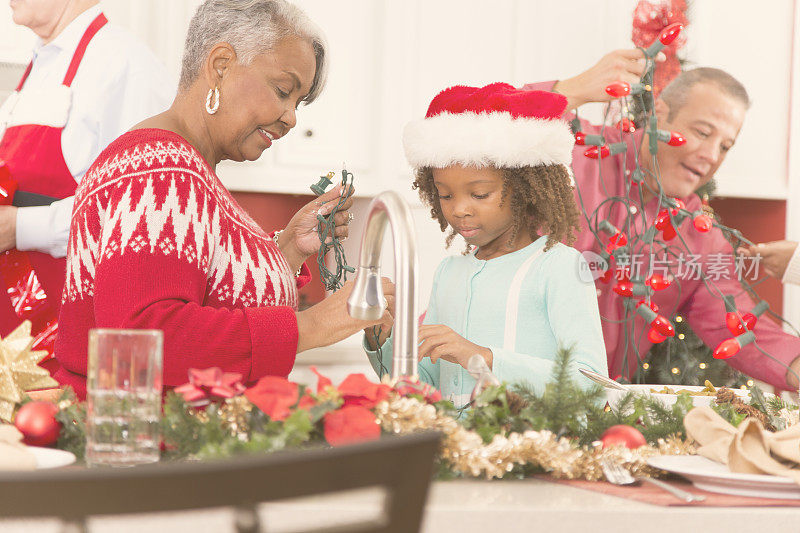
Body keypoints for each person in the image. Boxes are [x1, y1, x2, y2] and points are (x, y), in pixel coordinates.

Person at [53, 0, 393, 399]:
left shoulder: (187, 170)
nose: (291, 117)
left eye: (297, 103)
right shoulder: (161, 169)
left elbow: (209, 297)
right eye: (283, 91)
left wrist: (286, 251)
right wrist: (315, 325)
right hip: (148, 452)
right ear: (220, 65)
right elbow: (146, 335)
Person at [523, 50, 800, 390]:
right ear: (660, 115)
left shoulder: (703, 241)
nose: (712, 156)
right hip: (496, 391)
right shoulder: (573, 150)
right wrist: (573, 88)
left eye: (725, 146)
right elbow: (483, 127)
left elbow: (746, 333)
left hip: (592, 415)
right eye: (702, 132)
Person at [363, 83, 609, 407]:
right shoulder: (449, 272)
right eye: (445, 194)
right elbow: (426, 387)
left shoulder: (559, 266)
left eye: (479, 194)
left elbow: (591, 387)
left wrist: (482, 357)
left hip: (531, 451)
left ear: (526, 189)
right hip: (460, 451)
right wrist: (382, 336)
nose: (459, 209)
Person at [0, 0, 173, 356]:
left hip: (71, 335)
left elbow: (137, 209)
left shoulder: (128, 65)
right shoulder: (39, 65)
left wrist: (18, 226)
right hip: (16, 334)